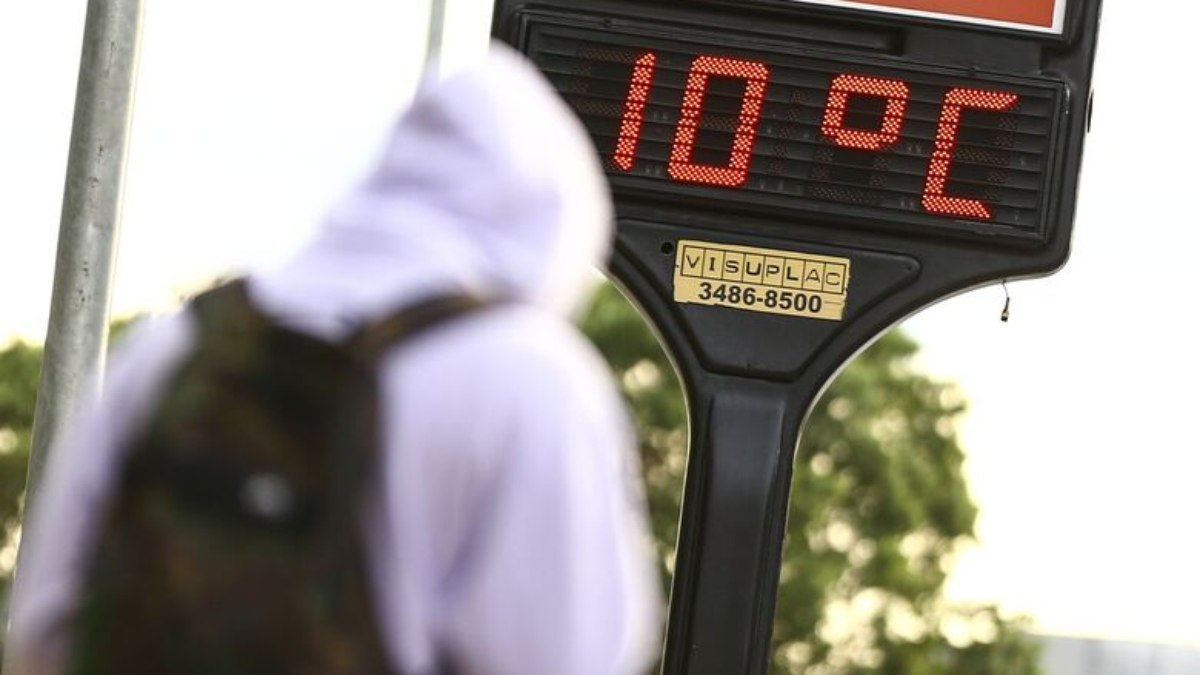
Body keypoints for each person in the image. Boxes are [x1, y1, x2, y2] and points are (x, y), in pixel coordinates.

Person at [7, 43, 662, 674]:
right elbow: (572, 653)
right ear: (554, 224)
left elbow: (41, 629)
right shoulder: (531, 379)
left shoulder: (171, 346)